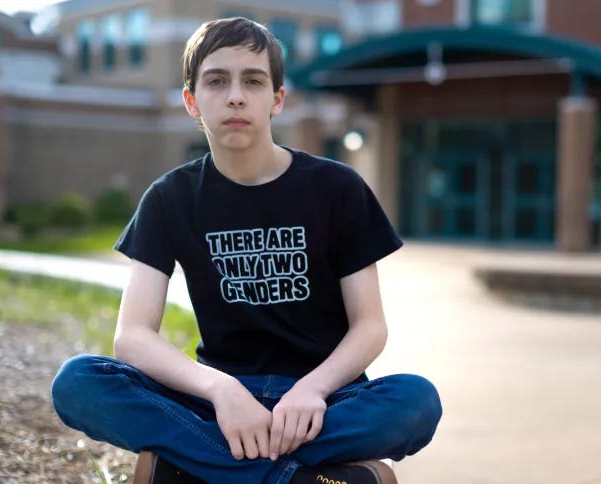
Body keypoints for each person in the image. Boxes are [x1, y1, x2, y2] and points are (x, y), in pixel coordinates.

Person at [51, 17, 442, 484]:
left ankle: (195, 467)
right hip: (218, 398)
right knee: (79, 384)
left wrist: (312, 390)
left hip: (323, 401)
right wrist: (221, 390)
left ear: (277, 98)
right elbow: (133, 337)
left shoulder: (338, 188)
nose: (235, 95)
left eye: (253, 81)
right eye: (217, 81)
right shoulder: (169, 197)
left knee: (416, 402)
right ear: (191, 101)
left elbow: (370, 327)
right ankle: (296, 479)